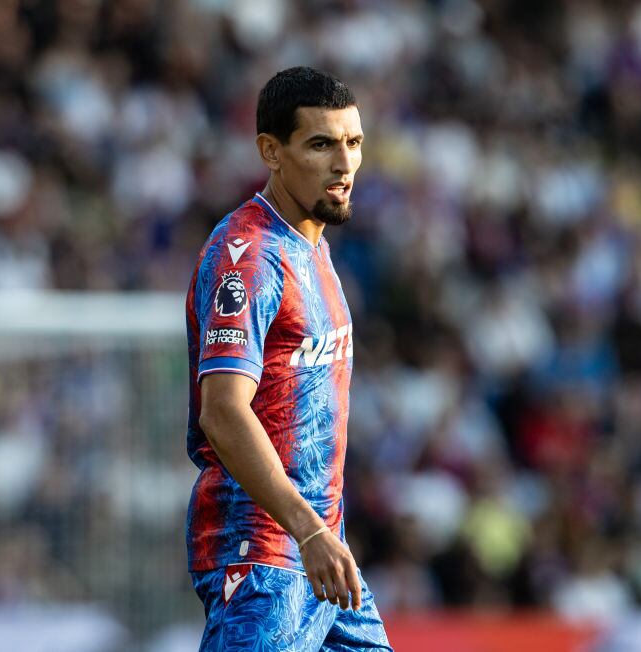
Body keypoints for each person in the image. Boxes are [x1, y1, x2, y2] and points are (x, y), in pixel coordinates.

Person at [184, 67, 392, 650]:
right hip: (262, 556)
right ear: (271, 152)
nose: (344, 163)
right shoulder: (248, 259)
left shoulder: (312, 249)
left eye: (353, 142)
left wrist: (322, 536)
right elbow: (222, 412)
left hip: (320, 553)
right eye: (321, 144)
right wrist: (308, 532)